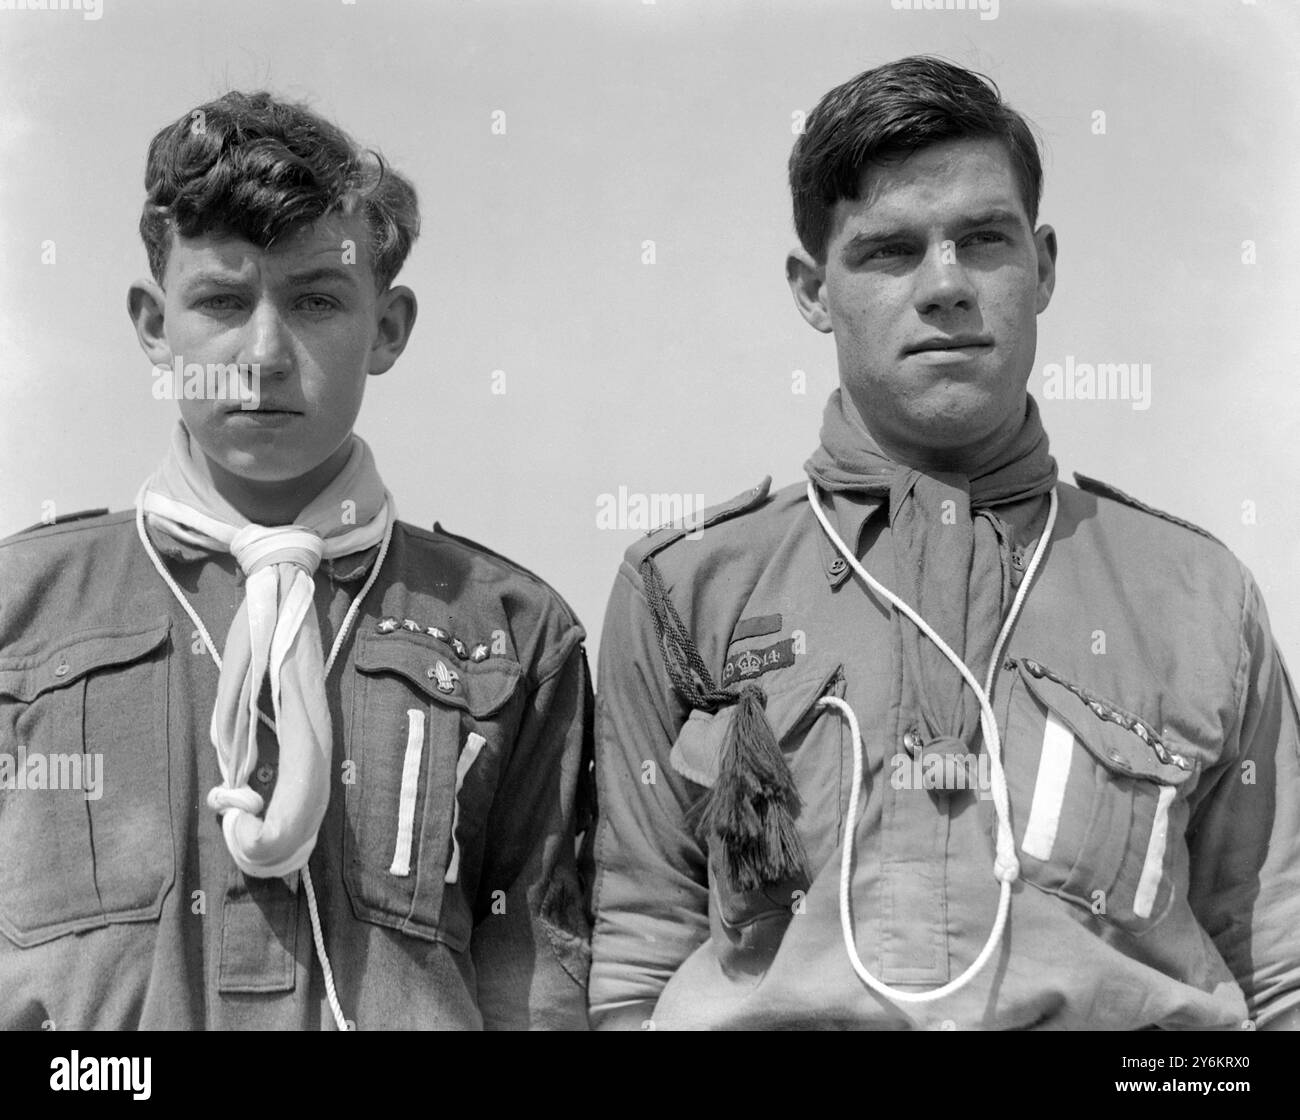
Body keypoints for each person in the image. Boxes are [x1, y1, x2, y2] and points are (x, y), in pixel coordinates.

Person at [588, 55, 1300, 1030]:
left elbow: (1277, 971)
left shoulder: (1196, 593)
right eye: (889, 250)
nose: (947, 285)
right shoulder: (686, 587)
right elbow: (631, 958)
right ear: (811, 288)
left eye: (983, 239)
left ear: (1042, 265)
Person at [0, 91, 593, 1030]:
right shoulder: (21, 609)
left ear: (388, 327)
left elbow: (538, 978)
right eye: (223, 303)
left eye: (316, 301)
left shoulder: (509, 632)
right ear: (155, 328)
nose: (265, 353)